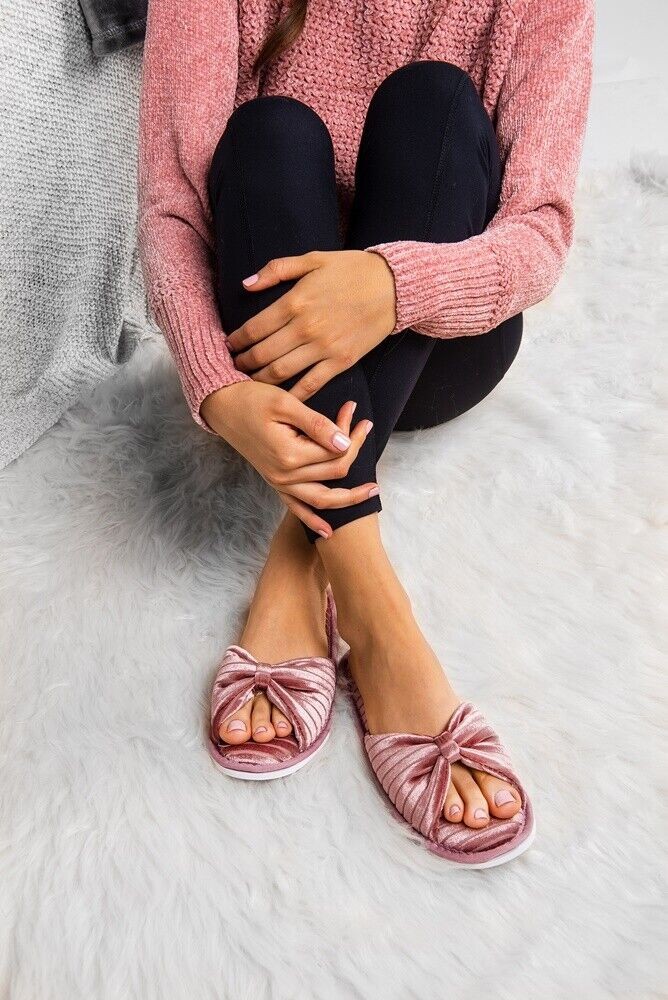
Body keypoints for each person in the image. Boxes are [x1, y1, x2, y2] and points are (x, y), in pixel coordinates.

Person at [138, 0, 594, 867]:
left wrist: (390, 287)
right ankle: (373, 604)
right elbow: (174, 210)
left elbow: (541, 230)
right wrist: (216, 390)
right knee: (267, 133)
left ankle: (324, 577)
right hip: (267, 338)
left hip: (435, 345)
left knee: (436, 103)